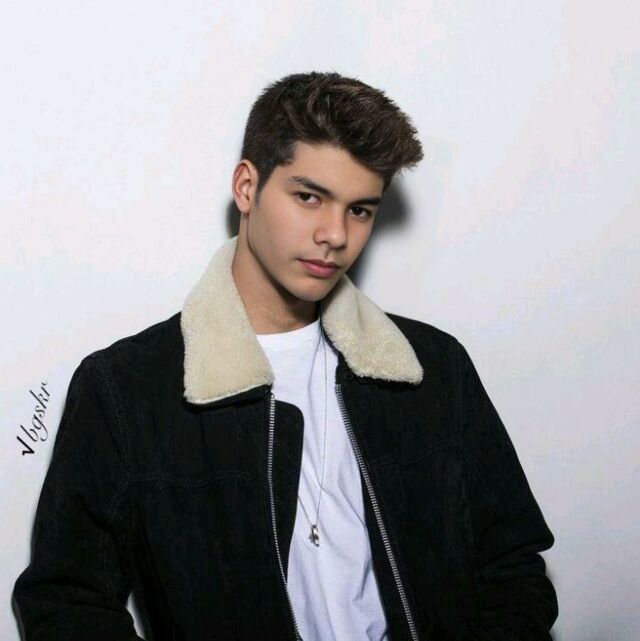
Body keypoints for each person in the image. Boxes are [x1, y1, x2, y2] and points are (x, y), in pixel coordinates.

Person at [13, 71, 558, 641]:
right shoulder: (128, 390)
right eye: (309, 197)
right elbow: (66, 600)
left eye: (360, 210)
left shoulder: (431, 369)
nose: (335, 235)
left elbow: (513, 565)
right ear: (247, 187)